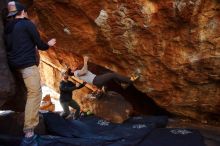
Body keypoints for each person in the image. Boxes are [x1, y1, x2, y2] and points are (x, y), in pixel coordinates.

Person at [4, 1, 56, 144]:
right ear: (23, 12)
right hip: (27, 66)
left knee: (29, 91)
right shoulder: (27, 24)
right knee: (35, 92)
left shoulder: (8, 27)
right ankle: (29, 132)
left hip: (14, 65)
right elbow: (40, 45)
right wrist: (49, 44)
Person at [68, 56, 140, 91]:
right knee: (113, 75)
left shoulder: (77, 72)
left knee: (108, 73)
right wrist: (85, 61)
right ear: (72, 71)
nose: (73, 67)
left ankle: (122, 84)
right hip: (96, 80)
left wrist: (84, 63)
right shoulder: (76, 73)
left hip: (96, 81)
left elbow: (84, 70)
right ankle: (130, 80)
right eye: (72, 68)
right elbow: (84, 71)